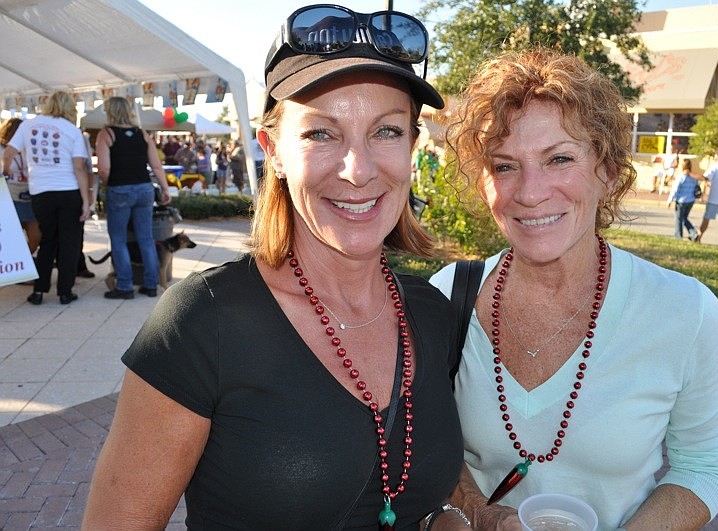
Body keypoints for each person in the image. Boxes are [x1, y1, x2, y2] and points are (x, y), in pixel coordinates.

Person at [83, 5, 463, 529]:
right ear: (273, 151)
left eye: (387, 131)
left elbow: (419, 488)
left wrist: (454, 518)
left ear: (412, 146)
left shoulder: (432, 313)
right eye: (321, 134)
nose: (360, 170)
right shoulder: (205, 322)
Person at [428, 47, 718, 530]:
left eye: (559, 159)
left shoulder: (683, 310)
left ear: (609, 169)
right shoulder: (448, 296)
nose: (531, 192)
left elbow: (706, 465)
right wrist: (481, 514)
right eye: (505, 165)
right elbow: (427, 439)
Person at [2, 91, 91, 305]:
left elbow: (8, 152)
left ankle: (39, 291)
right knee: (69, 242)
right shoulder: (72, 131)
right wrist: (86, 201)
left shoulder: (28, 125)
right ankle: (64, 292)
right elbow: (79, 168)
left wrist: (8, 170)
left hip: (40, 192)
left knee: (47, 240)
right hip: (69, 192)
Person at [94, 96, 171, 299]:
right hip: (145, 188)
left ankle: (125, 286)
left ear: (110, 111)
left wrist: (111, 183)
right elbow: (156, 166)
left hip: (119, 189)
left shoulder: (106, 134)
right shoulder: (143, 134)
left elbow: (103, 168)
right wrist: (165, 189)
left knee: (118, 239)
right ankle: (150, 285)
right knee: (146, 238)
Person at [1, 117, 41, 254]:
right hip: (9, 196)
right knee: (10, 236)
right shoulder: (2, 150)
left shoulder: (30, 148)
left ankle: (22, 261)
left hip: (29, 196)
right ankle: (14, 265)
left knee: (36, 237)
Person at [666, 158, 699, 240]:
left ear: (683, 166)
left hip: (681, 201)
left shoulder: (681, 177)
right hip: (690, 200)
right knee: (684, 218)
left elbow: (675, 189)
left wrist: (669, 200)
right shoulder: (693, 177)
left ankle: (678, 236)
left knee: (679, 219)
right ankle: (693, 233)